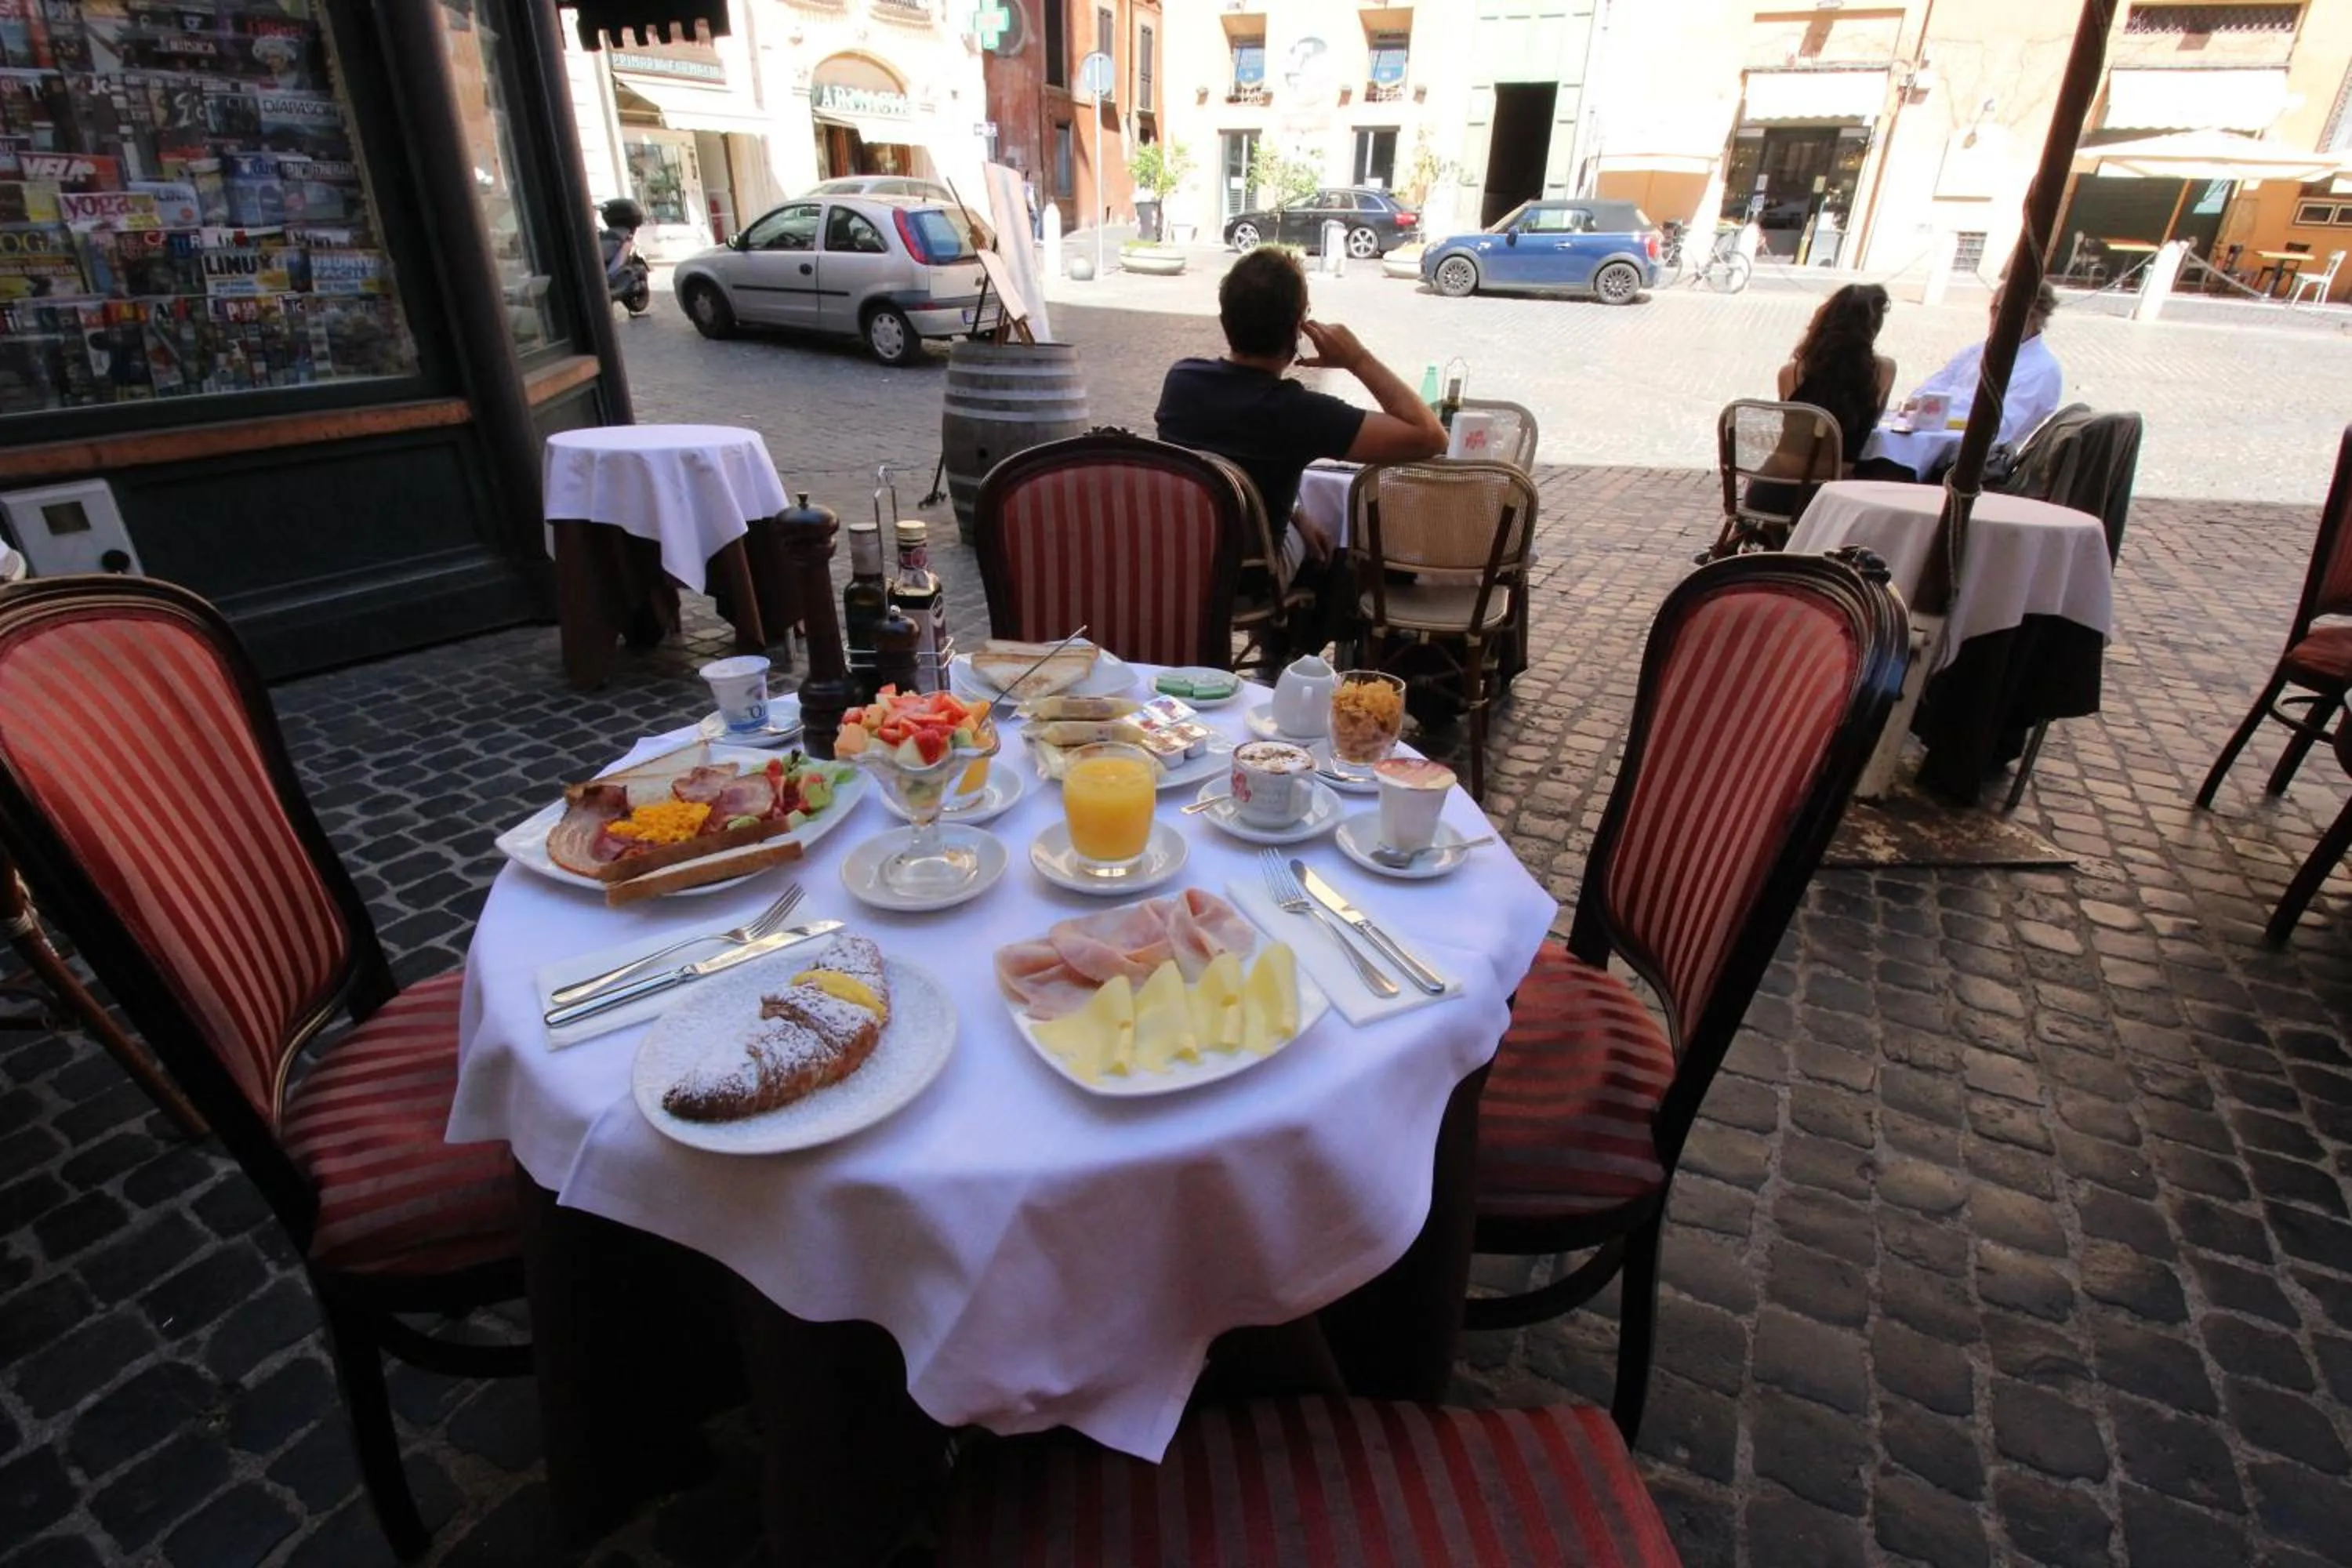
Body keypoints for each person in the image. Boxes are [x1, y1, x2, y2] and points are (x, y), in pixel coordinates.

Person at [1156, 248, 1446, 648]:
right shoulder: (1298, 412)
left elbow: (1219, 475)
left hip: (1179, 565)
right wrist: (1357, 359)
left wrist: (1293, 513)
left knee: (1306, 525)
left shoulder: (1181, 381)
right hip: (1247, 579)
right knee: (1332, 549)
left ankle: (1277, 653)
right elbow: (1429, 436)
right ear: (1298, 329)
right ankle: (1291, 663)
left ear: (1225, 321)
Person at [1864, 280, 2063, 481]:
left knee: (1889, 456)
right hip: (1931, 432)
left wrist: (1939, 412)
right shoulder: (1978, 350)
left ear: (2032, 315)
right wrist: (1920, 402)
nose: (1994, 318)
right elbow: (1940, 381)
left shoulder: (2042, 370)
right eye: (1993, 310)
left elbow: (2002, 427)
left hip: (1971, 460)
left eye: (2001, 310)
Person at [1747, 282, 1895, 521]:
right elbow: (1875, 421)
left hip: (1771, 489)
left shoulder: (1791, 373)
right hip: (1827, 496)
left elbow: (1793, 427)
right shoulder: (1884, 371)